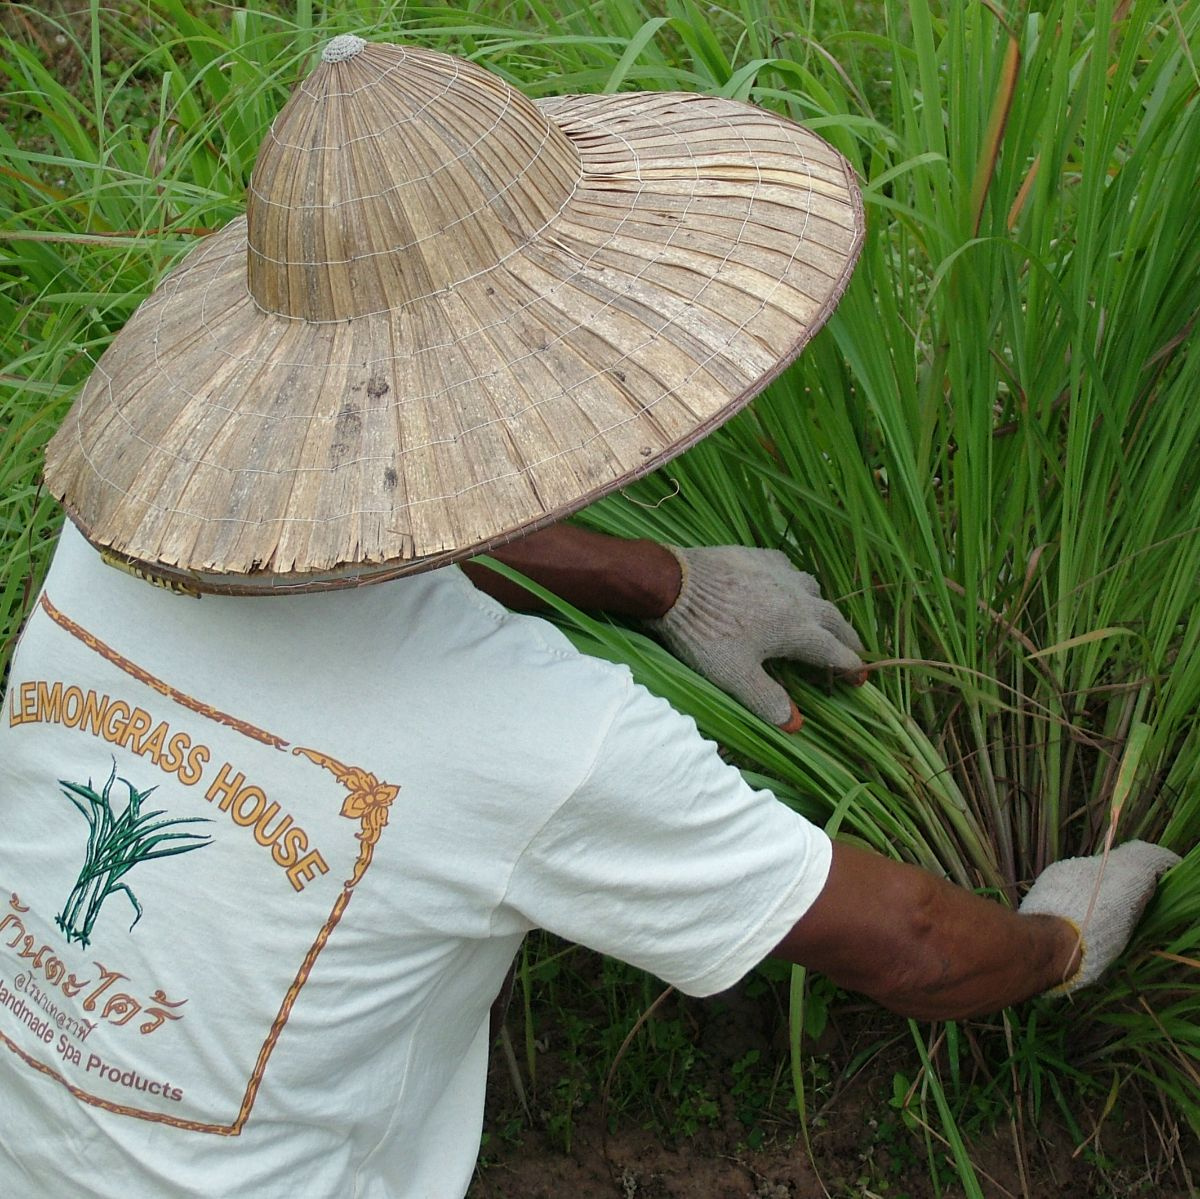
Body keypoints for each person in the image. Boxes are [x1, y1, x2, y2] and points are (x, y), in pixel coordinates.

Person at [0, 36, 1177, 1199]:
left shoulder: (122, 540)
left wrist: (661, 579)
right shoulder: (539, 737)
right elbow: (914, 942)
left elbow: (347, 528)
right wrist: (1057, 943)